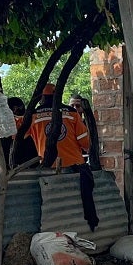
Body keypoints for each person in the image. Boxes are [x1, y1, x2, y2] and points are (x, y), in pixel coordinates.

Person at [29, 84, 98, 231]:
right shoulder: (72, 113)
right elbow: (85, 142)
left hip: (49, 169)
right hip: (76, 168)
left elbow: (16, 134)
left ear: (42, 98)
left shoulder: (33, 115)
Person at [70, 93, 102, 171]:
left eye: (77, 106)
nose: (75, 108)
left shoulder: (88, 123)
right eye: (72, 106)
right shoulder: (67, 124)